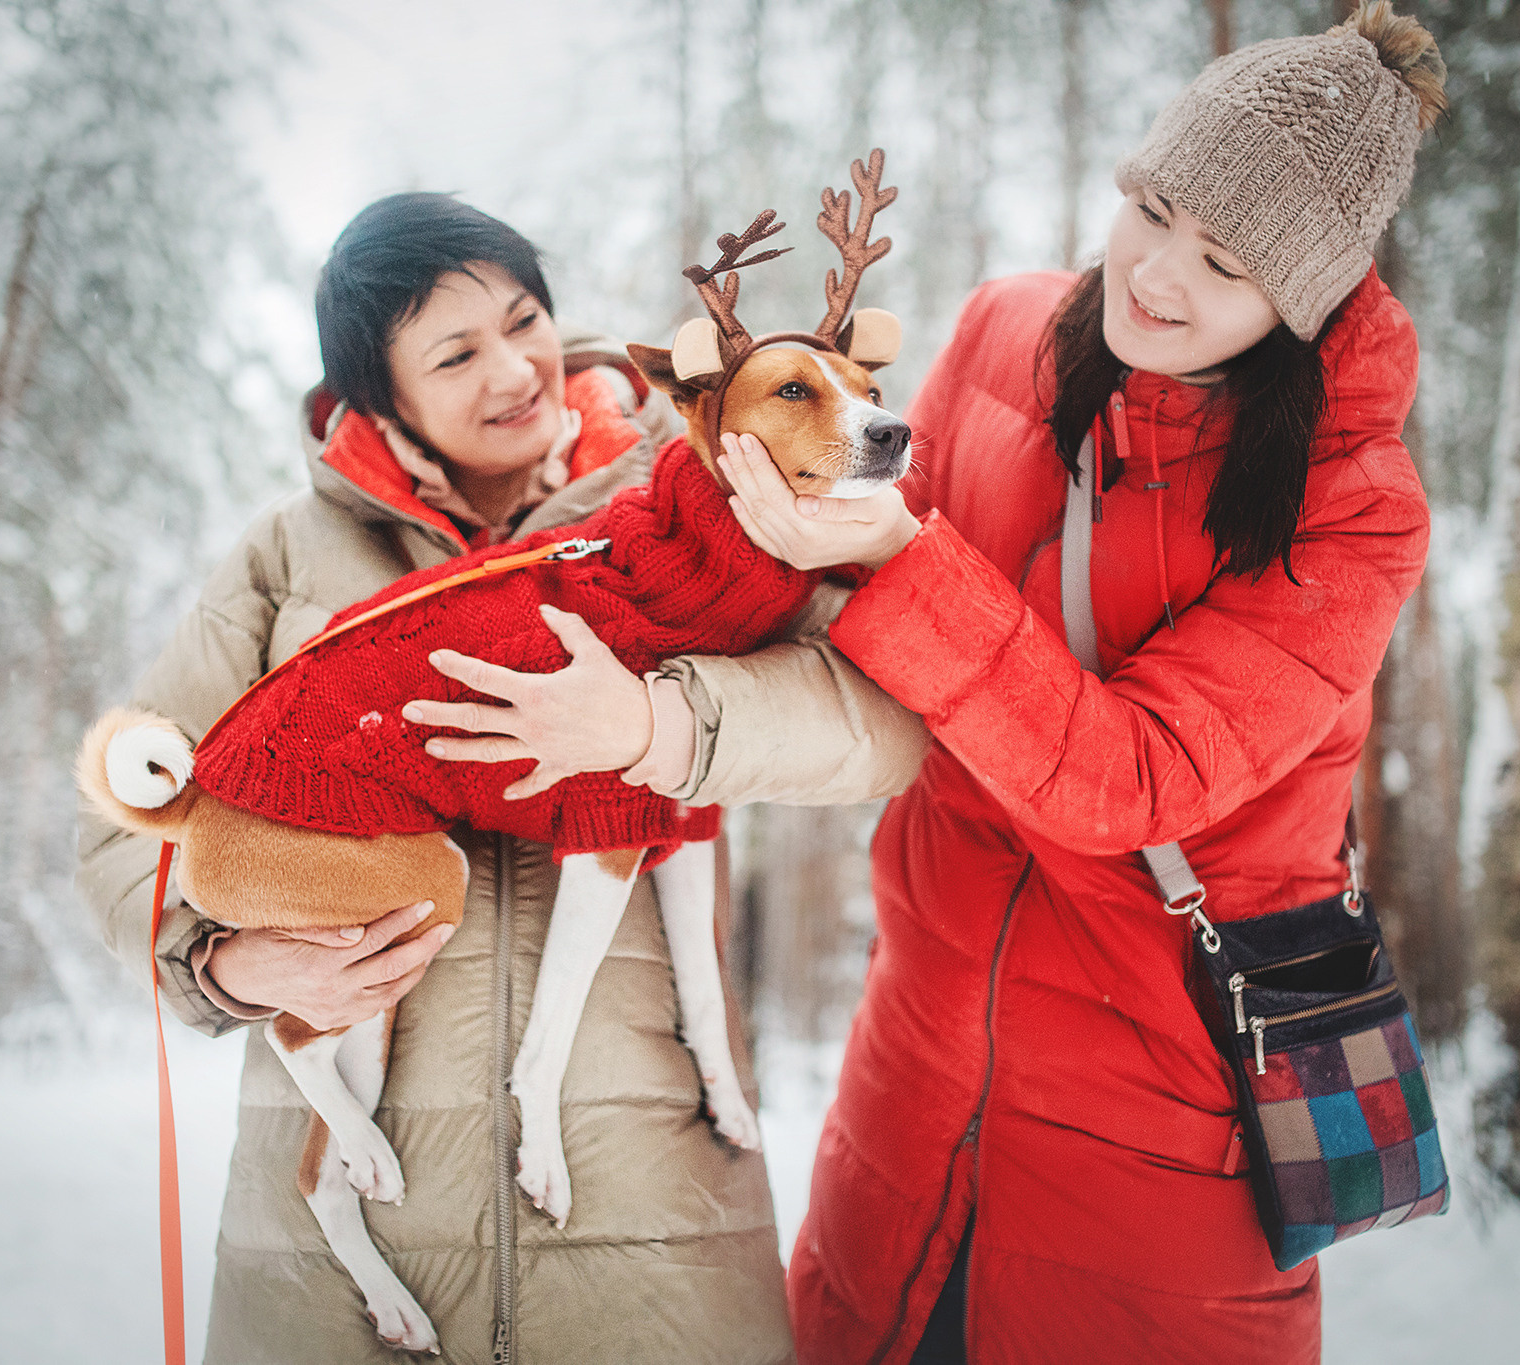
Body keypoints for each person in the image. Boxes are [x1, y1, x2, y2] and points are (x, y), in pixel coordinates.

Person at [418, 5, 1448, 1361]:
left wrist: (899, 556)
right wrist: (653, 677)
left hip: (1158, 1127)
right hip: (913, 1074)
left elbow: (1130, 777)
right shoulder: (1008, 333)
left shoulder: (1352, 508)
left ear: (1302, 300)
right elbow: (850, 651)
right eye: (1151, 211)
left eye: (1225, 263)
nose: (1155, 276)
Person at [75, 193, 881, 1363]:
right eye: (454, 355)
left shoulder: (715, 506)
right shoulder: (287, 555)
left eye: (522, 320)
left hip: (644, 1215)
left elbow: (874, 726)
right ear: (381, 395)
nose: (512, 370)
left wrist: (662, 725)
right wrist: (223, 962)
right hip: (340, 1263)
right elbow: (130, 833)